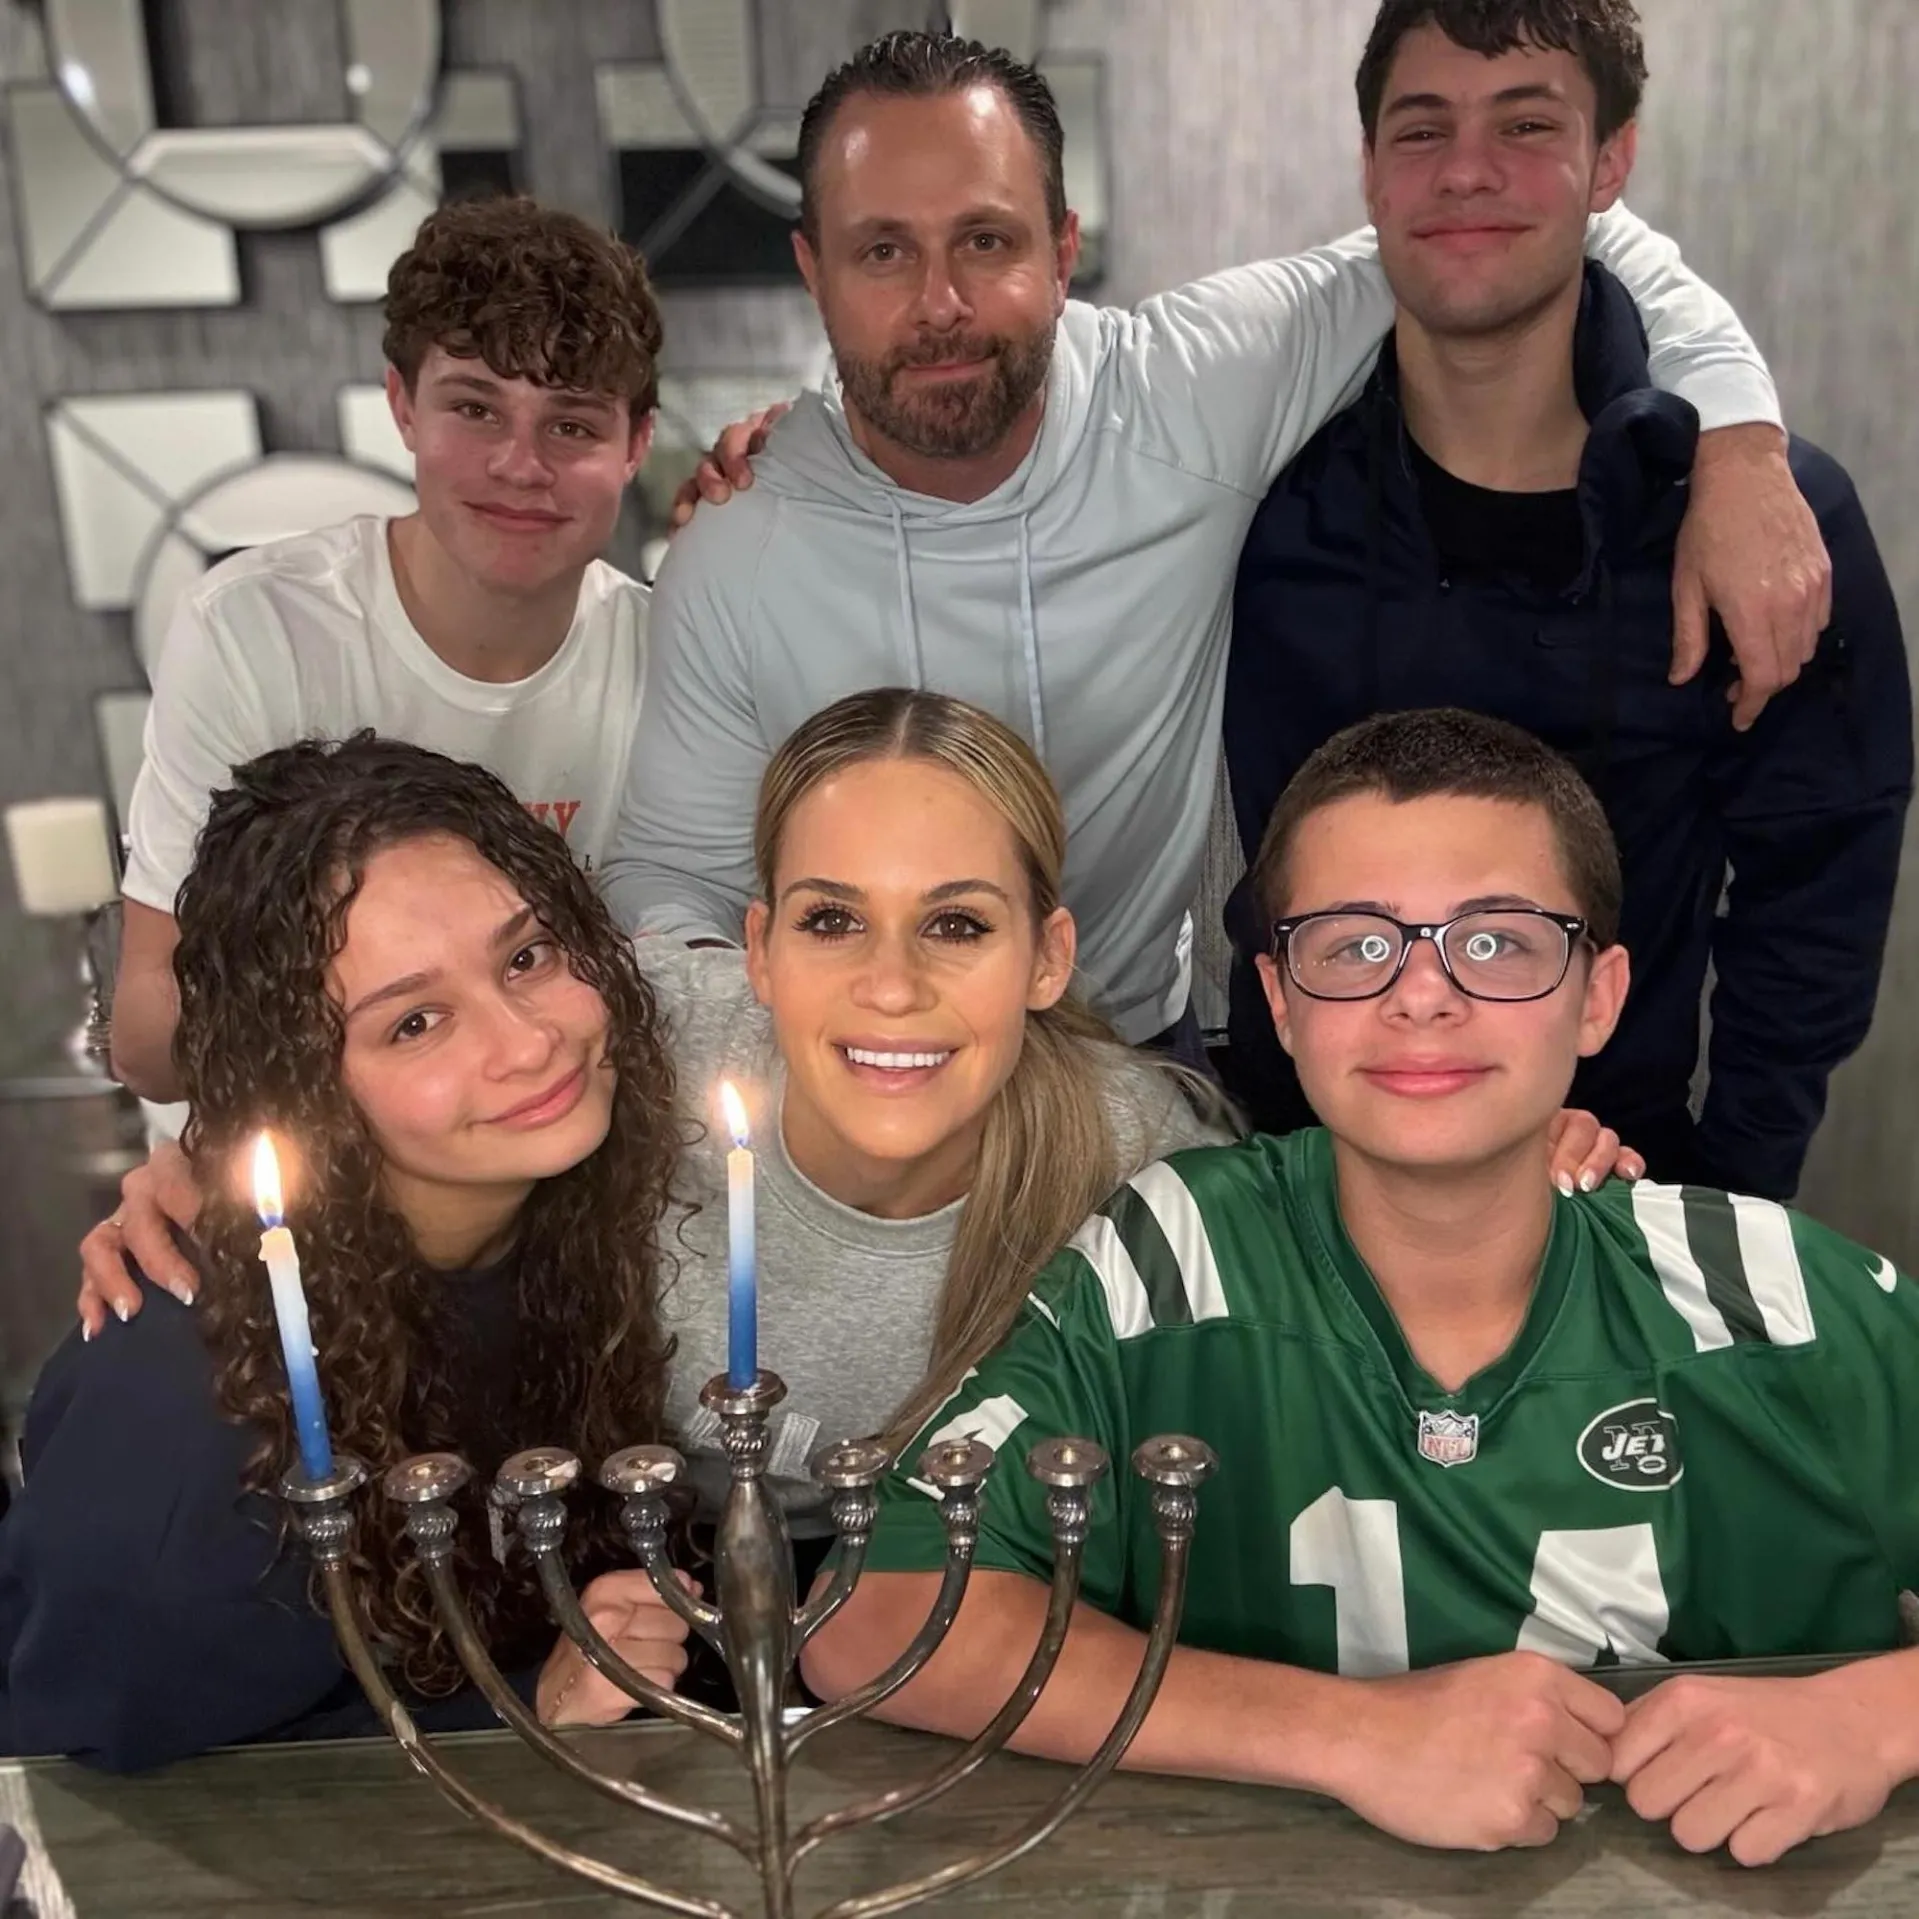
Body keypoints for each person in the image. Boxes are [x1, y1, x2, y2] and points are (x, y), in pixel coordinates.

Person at [804, 708, 1919, 1868]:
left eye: (1496, 941)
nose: (1421, 995)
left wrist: (1870, 1716)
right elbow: (871, 1617)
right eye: (1352, 946)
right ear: (1280, 1000)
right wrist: (1352, 1733)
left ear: (1596, 995)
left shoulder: (1769, 1294)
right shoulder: (1170, 1256)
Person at [603, 27, 1832, 1063]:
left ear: (1062, 250)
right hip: (860, 1072)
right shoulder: (738, 551)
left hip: (1143, 1064)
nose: (940, 304)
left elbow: (1513, 223)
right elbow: (667, 893)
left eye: (985, 240)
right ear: (812, 270)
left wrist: (1736, 437)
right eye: (883, 251)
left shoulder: (1187, 393)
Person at [1221, 0, 1912, 1195]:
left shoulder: (1766, 527)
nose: (1467, 170)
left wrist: (1719, 1203)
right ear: (1370, 169)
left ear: (1609, 163)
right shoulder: (1261, 504)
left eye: (1525, 124)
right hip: (1297, 1184)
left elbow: (1816, 892)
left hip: (1627, 1183)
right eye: (1421, 129)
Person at [3, 738, 696, 1769]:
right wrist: (526, 1709)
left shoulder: (574, 1218)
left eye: (527, 956)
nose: (526, 1042)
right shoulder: (183, 1406)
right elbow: (85, 1780)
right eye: (414, 1022)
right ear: (304, 1086)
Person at [112, 195, 662, 1103]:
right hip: (301, 1160)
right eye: (476, 408)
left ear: (636, 442)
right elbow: (150, 1038)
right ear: (403, 406)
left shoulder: (670, 657)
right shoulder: (258, 629)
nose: (520, 465)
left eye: (571, 425)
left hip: (565, 1145)